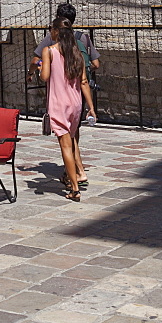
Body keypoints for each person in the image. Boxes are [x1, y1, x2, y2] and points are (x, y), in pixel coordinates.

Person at [32, 14, 96, 201]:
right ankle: (74, 178)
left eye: (51, 29)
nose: (50, 32)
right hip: (75, 104)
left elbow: (44, 77)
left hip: (58, 103)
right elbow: (84, 82)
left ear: (56, 31)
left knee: (65, 146)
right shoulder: (76, 53)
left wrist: (39, 68)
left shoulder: (49, 51)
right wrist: (91, 108)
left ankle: (74, 188)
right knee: (73, 142)